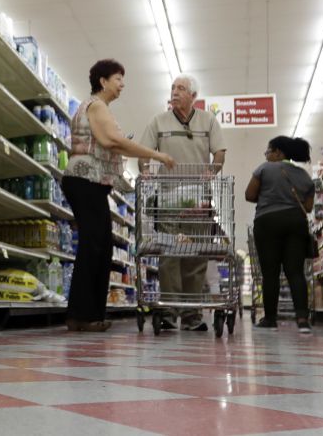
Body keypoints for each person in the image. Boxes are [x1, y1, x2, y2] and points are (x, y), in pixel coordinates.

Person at [63, 59, 175, 332]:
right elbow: (112, 141)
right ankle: (83, 316)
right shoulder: (97, 105)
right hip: (84, 181)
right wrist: (156, 154)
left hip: (89, 183)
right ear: (103, 81)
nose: (122, 84)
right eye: (118, 78)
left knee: (99, 245)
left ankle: (88, 314)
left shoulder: (97, 107)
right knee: (94, 246)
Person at [137, 74, 224, 331]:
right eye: (173, 88)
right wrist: (144, 168)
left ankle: (192, 316)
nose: (175, 92)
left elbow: (219, 151)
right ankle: (168, 311)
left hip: (198, 200)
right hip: (167, 200)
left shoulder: (208, 120)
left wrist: (213, 169)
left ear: (193, 96)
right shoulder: (158, 121)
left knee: (196, 257)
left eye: (181, 89)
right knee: (169, 255)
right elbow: (145, 151)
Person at [244, 135, 316, 334]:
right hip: (295, 222)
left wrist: (271, 194)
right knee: (295, 272)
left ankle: (270, 319)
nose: (266, 155)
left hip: (268, 222)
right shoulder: (304, 176)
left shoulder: (264, 169)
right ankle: (302, 319)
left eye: (268, 151)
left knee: (270, 273)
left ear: (278, 153)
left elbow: (249, 195)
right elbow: (308, 207)